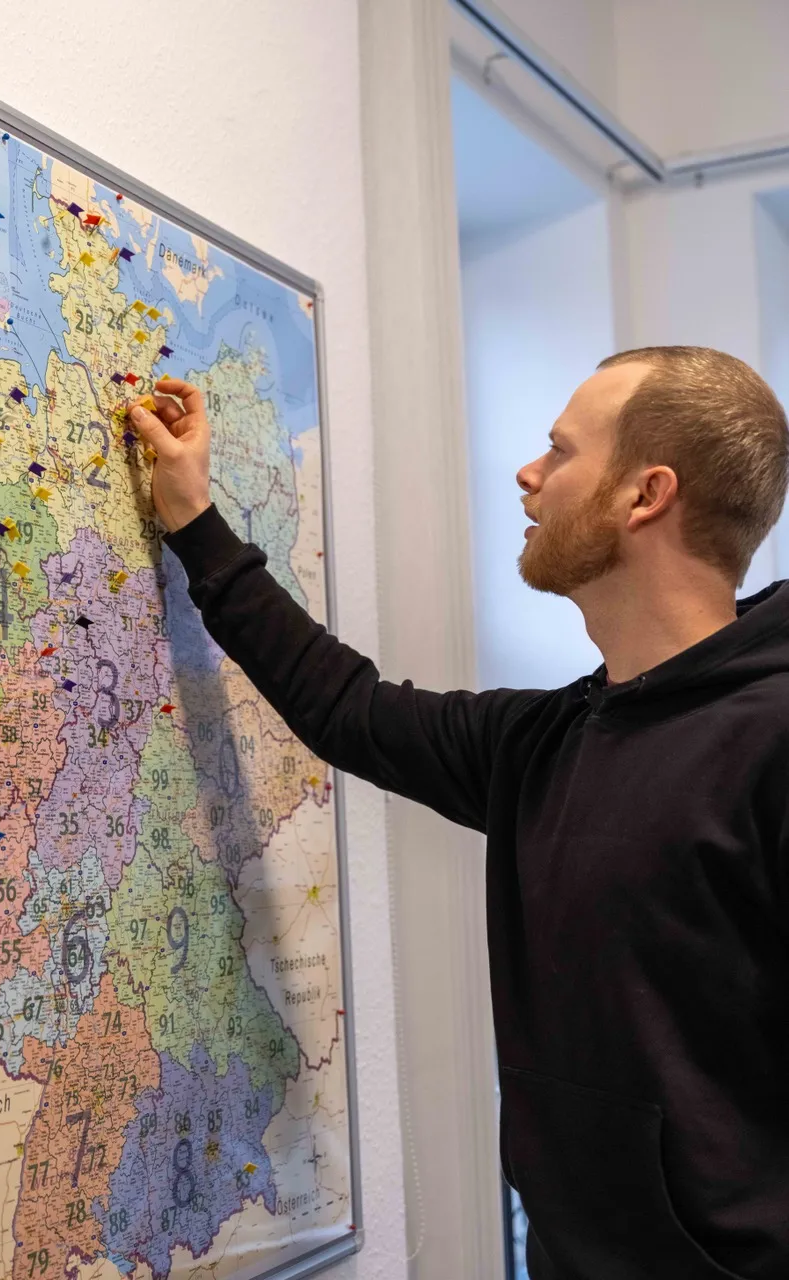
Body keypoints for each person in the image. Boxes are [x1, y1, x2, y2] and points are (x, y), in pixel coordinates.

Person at [128, 347, 789, 1280]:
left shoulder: (770, 738)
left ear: (645, 495)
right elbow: (344, 707)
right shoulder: (545, 741)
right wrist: (195, 521)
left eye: (559, 452)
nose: (528, 472)